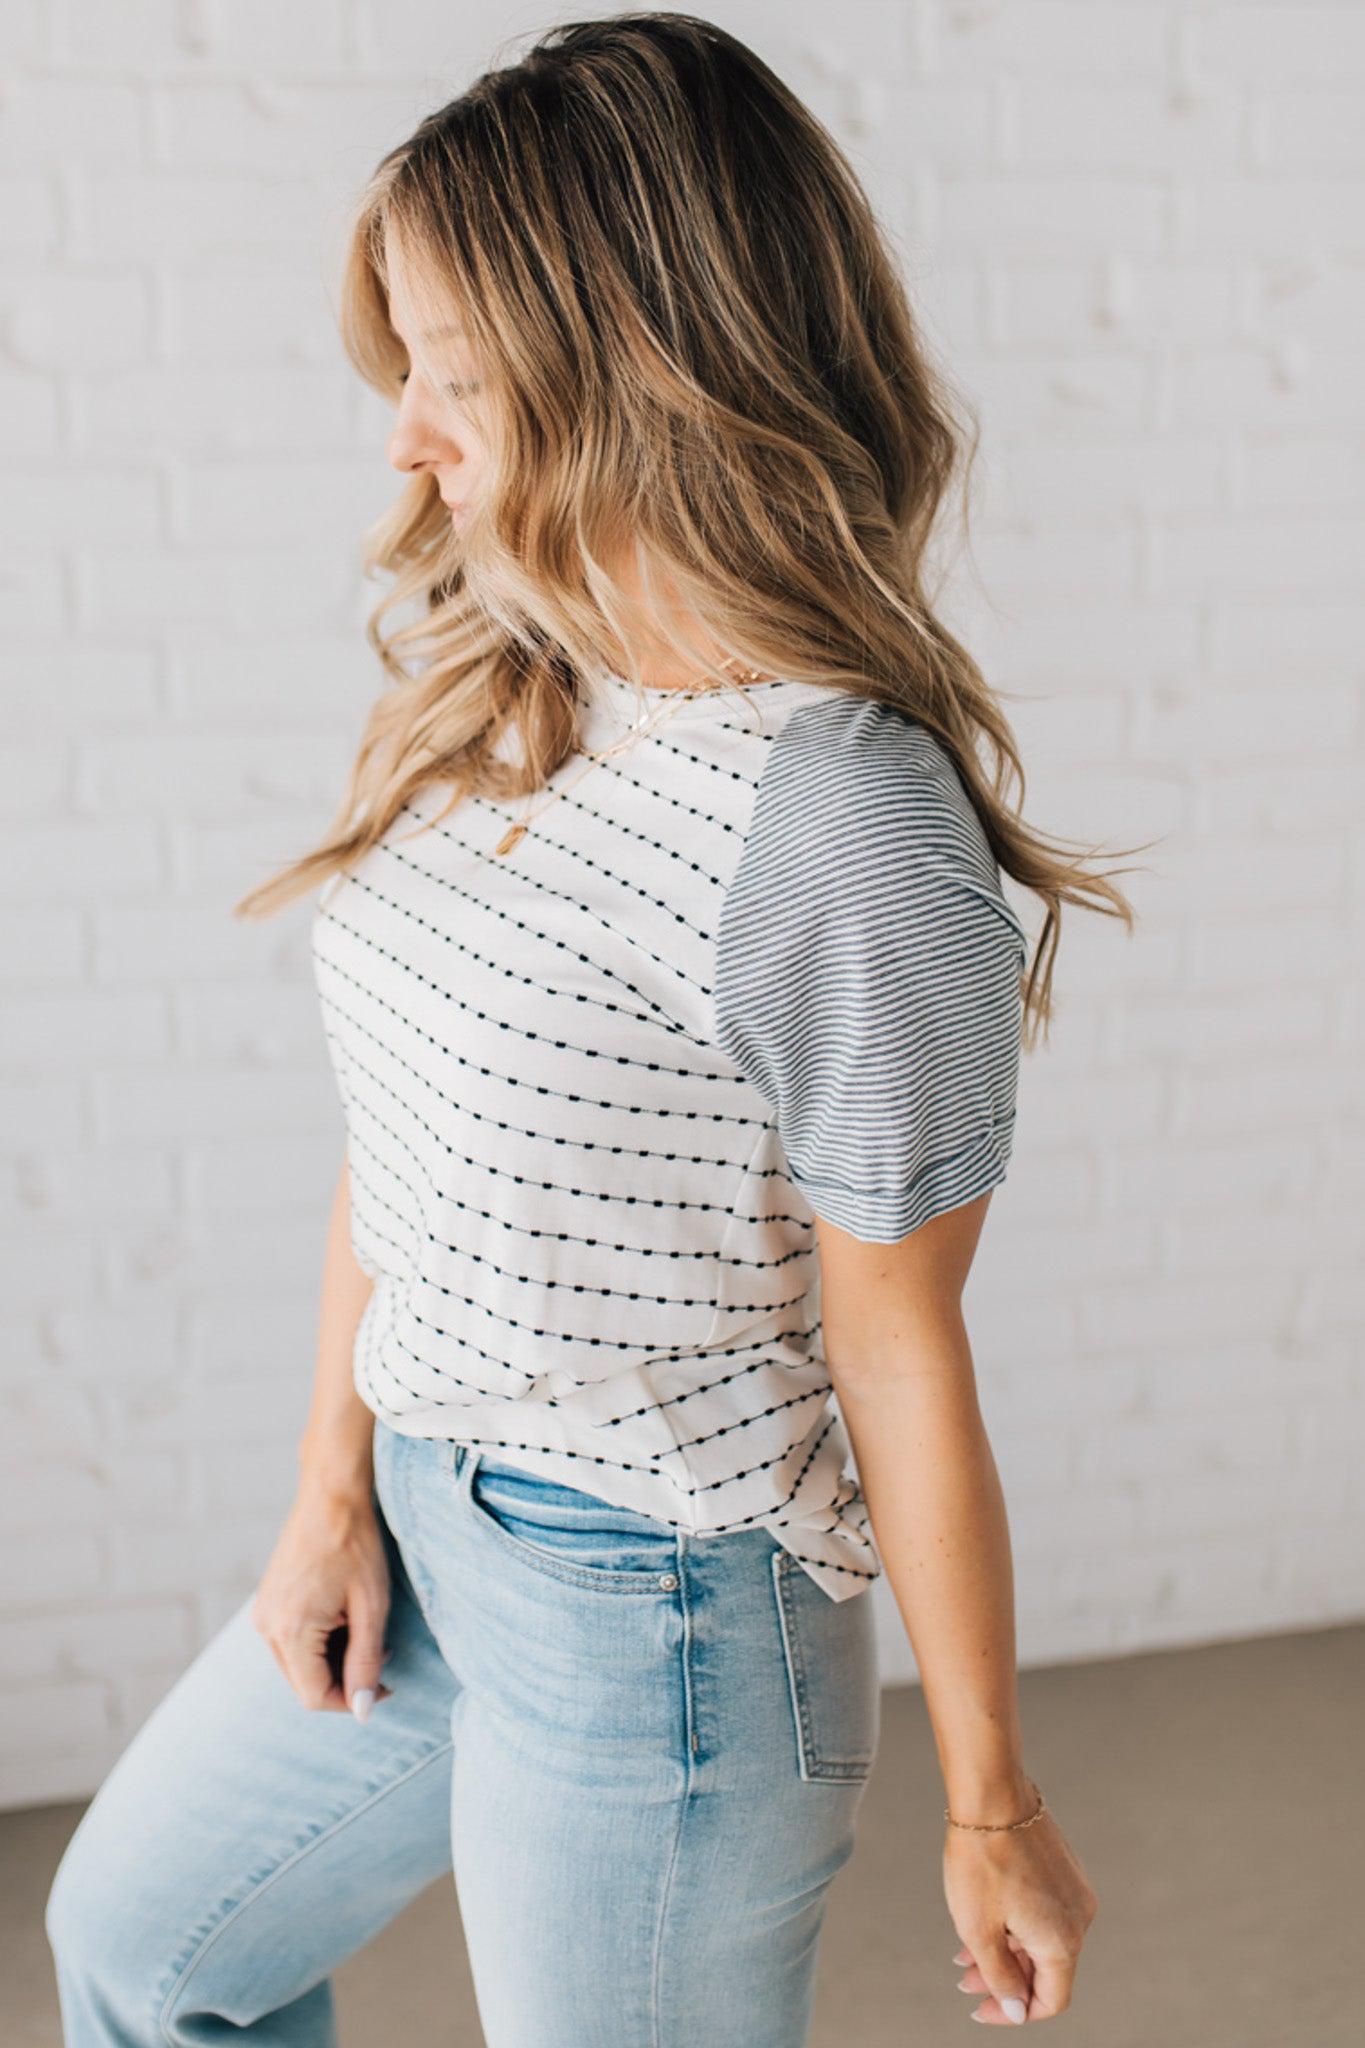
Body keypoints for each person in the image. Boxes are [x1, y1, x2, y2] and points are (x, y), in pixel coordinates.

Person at [45, 14, 1134, 2044]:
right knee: (142, 1948)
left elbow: (893, 1343)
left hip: (660, 1612)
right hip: (431, 1516)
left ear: (636, 368)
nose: (401, 438)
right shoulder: (518, 672)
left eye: (448, 378)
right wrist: (324, 1487)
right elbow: (410, 1129)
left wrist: (990, 1799)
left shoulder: (838, 816)